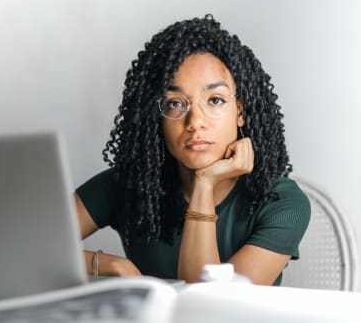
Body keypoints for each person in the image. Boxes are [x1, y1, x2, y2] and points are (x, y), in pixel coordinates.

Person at [75, 15, 311, 285]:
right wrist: (111, 264)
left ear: (240, 112)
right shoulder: (129, 184)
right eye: (175, 103)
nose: (195, 121)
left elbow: (211, 308)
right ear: (158, 117)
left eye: (215, 100)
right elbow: (24, 246)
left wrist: (204, 184)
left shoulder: (282, 203)